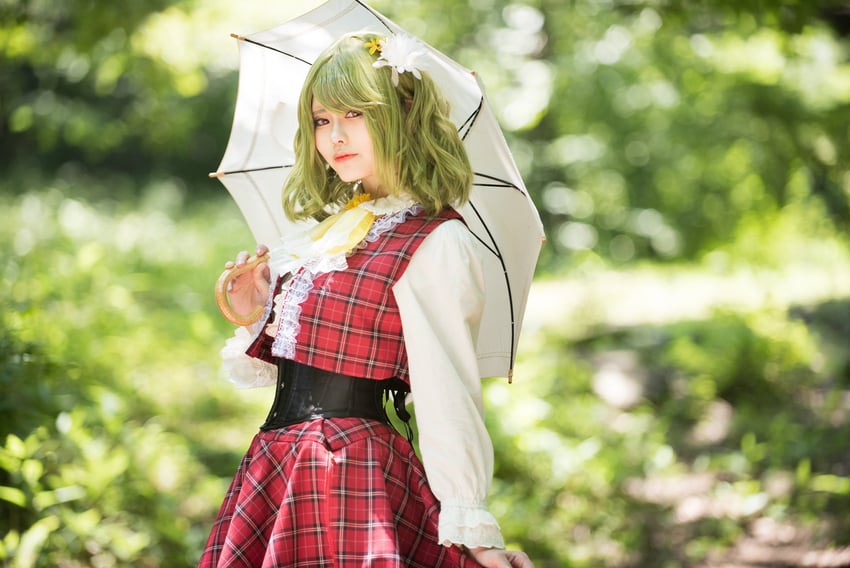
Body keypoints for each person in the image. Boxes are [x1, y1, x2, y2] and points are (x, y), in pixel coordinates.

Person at [199, 31, 534, 568]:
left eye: (354, 114)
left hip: (350, 472)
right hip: (279, 465)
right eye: (321, 120)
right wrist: (256, 309)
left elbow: (446, 391)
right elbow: (317, 355)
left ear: (401, 114)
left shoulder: (436, 241)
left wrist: (475, 526)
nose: (334, 136)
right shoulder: (329, 234)